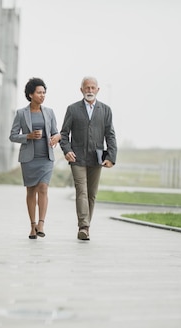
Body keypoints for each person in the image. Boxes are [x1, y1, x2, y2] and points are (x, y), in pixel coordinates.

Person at [59, 76, 117, 241]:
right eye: (87, 88)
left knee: (91, 194)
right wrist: (67, 150)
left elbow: (110, 135)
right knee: (81, 191)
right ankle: (83, 226)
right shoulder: (72, 109)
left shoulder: (105, 110)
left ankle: (86, 227)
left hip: (96, 158)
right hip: (77, 158)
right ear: (81, 90)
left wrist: (111, 157)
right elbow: (64, 134)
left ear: (98, 90)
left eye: (93, 88)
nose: (90, 91)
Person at [9, 77, 61, 239]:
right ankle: (32, 226)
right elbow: (12, 136)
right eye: (39, 92)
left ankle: (41, 224)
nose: (42, 95)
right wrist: (28, 136)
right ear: (31, 94)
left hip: (46, 158)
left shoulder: (49, 112)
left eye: (44, 92)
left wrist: (56, 138)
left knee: (43, 189)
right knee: (31, 191)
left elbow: (55, 132)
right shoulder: (21, 113)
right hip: (29, 159)